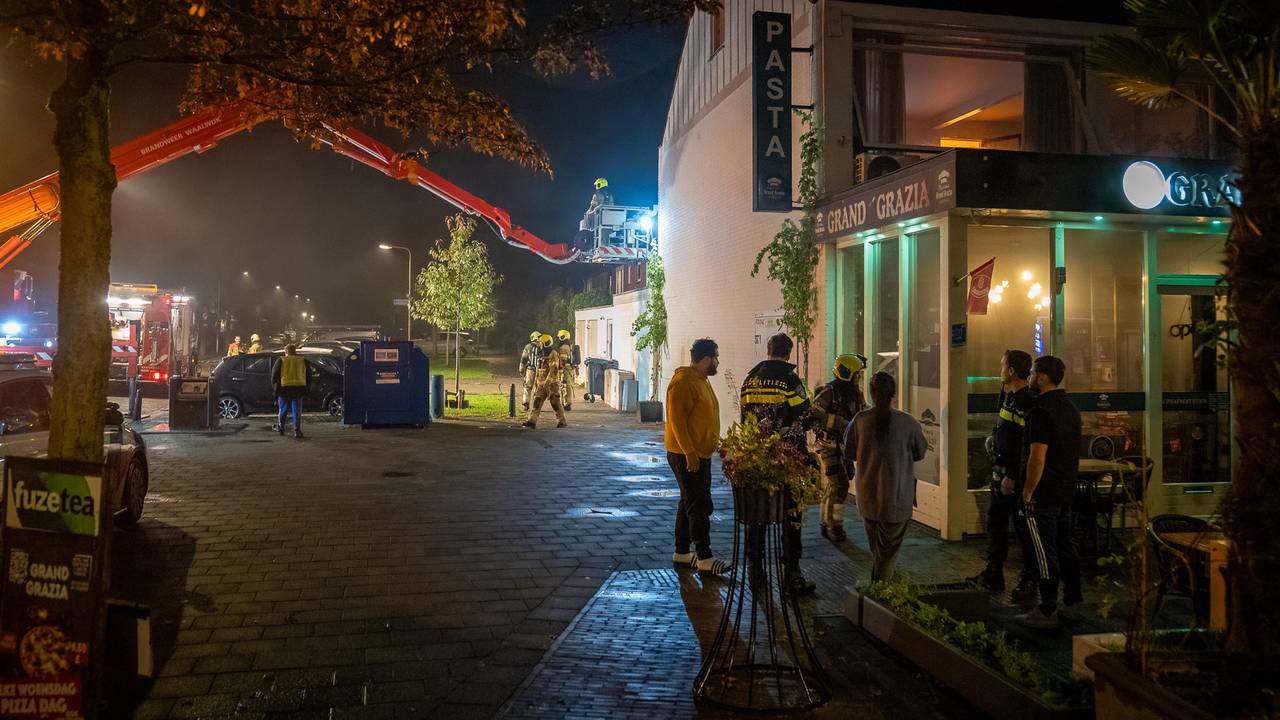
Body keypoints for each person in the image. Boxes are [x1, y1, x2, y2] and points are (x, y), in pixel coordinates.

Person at [740, 332, 815, 596]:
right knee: (790, 517)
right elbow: (805, 417)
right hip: (787, 460)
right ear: (788, 352)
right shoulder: (789, 379)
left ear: (768, 350)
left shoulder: (750, 379)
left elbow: (745, 419)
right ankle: (791, 576)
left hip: (757, 459)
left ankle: (755, 572)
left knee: (757, 516)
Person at [1016, 355, 1084, 629]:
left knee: (1045, 550)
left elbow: (1037, 456)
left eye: (1032, 373)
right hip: (1066, 490)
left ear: (1043, 377)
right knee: (1067, 546)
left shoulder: (1040, 412)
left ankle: (1046, 609)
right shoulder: (1070, 409)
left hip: (1043, 493)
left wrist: (1028, 491)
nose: (1030, 377)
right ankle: (1073, 602)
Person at [844, 372, 927, 582]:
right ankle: (882, 596)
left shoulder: (860, 421)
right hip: (897, 498)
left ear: (871, 394)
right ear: (894, 394)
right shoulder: (908, 423)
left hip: (868, 498)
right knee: (887, 554)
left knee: (878, 550)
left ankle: (882, 591)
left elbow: (849, 451)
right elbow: (920, 452)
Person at [970, 349, 1039, 602]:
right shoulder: (1009, 398)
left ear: (1011, 371)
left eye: (1002, 365)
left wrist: (1012, 475)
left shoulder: (1025, 402)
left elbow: (1025, 444)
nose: (1000, 369)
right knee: (996, 525)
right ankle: (993, 573)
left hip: (1014, 479)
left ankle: (1029, 580)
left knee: (1023, 531)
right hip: (1001, 474)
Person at [666, 338, 731, 576]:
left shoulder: (701, 381)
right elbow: (677, 422)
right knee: (699, 505)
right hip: (685, 455)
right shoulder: (683, 382)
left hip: (698, 453)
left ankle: (682, 552)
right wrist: (690, 453)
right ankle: (705, 558)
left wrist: (717, 446)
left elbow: (703, 419)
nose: (717, 361)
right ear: (705, 359)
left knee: (688, 502)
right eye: (715, 357)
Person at [810, 353, 867, 543]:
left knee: (837, 485)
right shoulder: (829, 392)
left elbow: (862, 410)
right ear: (846, 373)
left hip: (844, 446)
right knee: (839, 484)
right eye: (857, 374)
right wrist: (840, 423)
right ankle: (834, 525)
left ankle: (825, 521)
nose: (858, 378)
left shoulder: (855, 393)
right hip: (828, 445)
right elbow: (814, 412)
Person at [522, 334, 567, 429]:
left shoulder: (553, 354)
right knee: (536, 402)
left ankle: (562, 421)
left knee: (555, 403)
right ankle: (532, 421)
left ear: (545, 343)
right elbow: (539, 369)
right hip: (541, 384)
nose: (539, 344)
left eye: (541, 342)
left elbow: (553, 369)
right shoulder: (541, 353)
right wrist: (536, 382)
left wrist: (547, 382)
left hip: (552, 384)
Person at [271, 344, 309, 438]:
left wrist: (276, 389)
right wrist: (307, 388)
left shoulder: (281, 360)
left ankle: (281, 428)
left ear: (286, 352)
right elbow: (308, 375)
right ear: (295, 351)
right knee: (297, 410)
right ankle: (297, 431)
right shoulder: (302, 360)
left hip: (284, 389)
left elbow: (274, 376)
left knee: (283, 409)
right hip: (299, 388)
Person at [518, 331, 541, 411]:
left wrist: (521, 369)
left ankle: (526, 403)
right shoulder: (542, 346)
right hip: (540, 371)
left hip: (530, 370)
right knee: (538, 388)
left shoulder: (528, 347)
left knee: (527, 386)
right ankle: (536, 404)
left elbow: (523, 359)